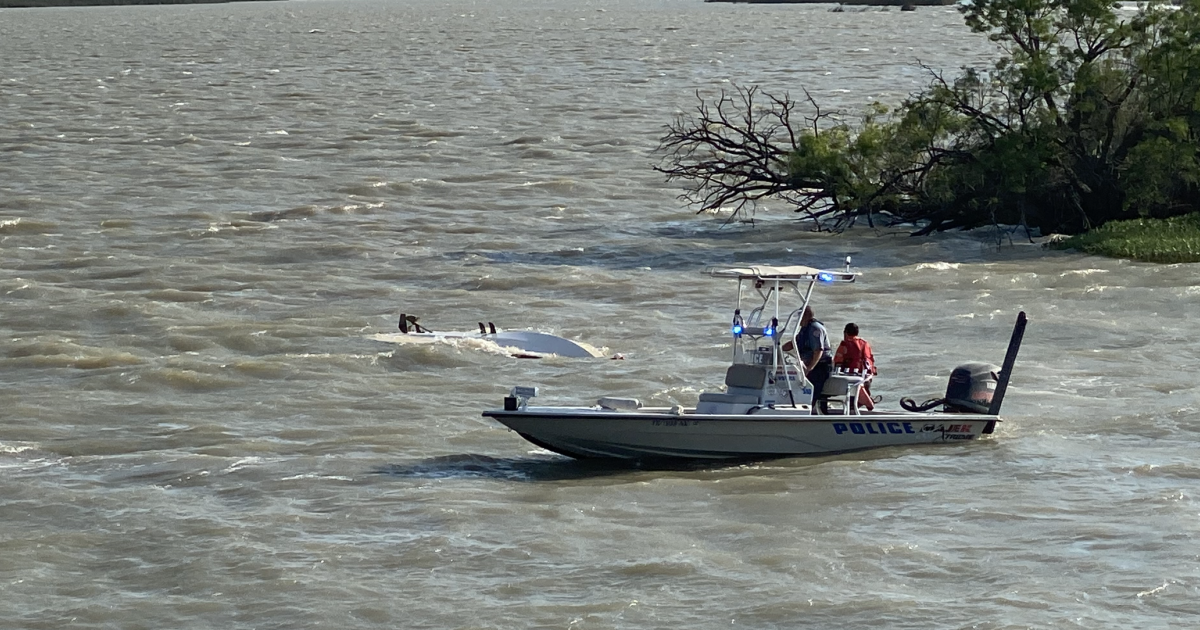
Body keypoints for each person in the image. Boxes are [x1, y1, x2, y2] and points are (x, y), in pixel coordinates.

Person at [791, 306, 832, 406]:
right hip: (807, 364)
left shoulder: (815, 329)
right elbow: (794, 342)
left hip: (819, 366)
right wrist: (778, 347)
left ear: (805, 316)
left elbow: (818, 350)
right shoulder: (804, 329)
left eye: (799, 316)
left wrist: (810, 368)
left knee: (811, 389)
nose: (798, 319)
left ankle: (809, 409)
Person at [834, 322, 877, 411]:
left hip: (852, 378)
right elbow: (870, 359)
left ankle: (854, 409)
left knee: (852, 399)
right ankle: (866, 403)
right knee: (862, 396)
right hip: (867, 377)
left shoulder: (845, 344)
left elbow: (838, 361)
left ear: (845, 333)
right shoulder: (865, 343)